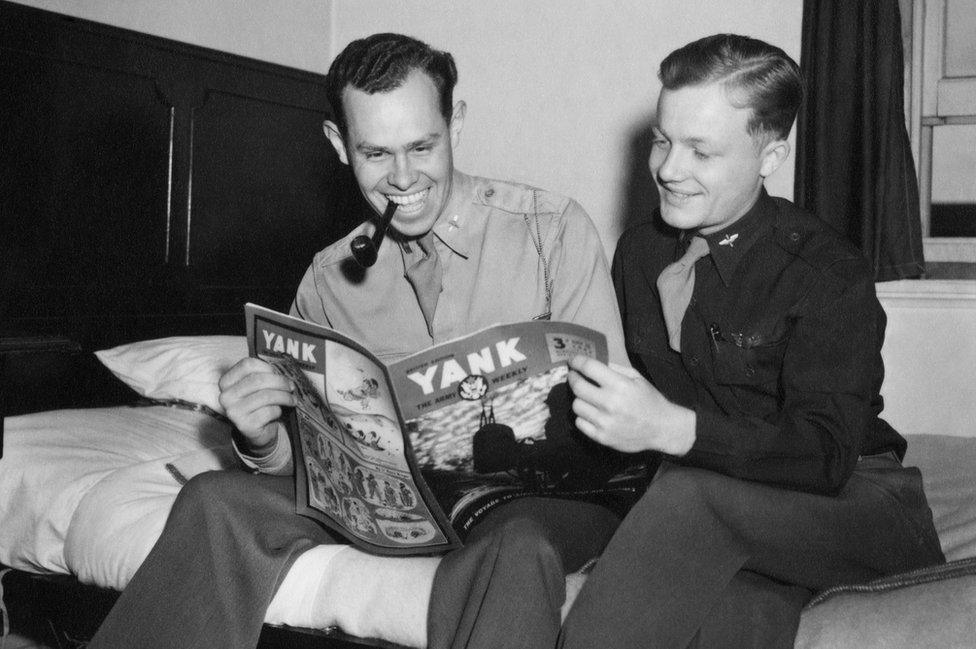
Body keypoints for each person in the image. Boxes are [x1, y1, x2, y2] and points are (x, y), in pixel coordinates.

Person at [88, 33, 628, 649]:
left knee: (520, 542)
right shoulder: (326, 278)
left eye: (423, 146)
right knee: (217, 499)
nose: (402, 178)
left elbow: (612, 423)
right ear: (339, 145)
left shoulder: (551, 231)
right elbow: (309, 462)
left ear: (456, 122)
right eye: (375, 153)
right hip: (392, 507)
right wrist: (261, 437)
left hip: (529, 497)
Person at [559, 34, 945, 649]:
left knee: (689, 498)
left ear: (771, 157)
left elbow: (825, 454)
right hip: (739, 504)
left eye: (700, 152)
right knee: (730, 612)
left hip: (858, 502)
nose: (667, 168)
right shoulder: (640, 252)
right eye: (663, 139)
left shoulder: (828, 273)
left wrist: (673, 430)